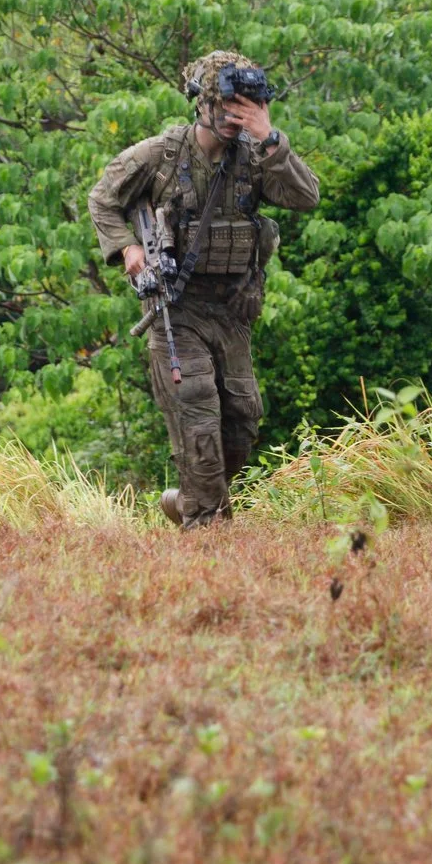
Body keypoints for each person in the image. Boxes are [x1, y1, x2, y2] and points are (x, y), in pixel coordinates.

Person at [89, 50, 320, 527]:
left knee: (241, 420)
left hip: (234, 311)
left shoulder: (257, 159)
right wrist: (128, 251)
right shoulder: (161, 156)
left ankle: (191, 499)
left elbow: (306, 197)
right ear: (202, 105)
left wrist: (270, 138)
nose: (237, 117)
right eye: (228, 106)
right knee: (197, 408)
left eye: (247, 107)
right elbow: (103, 200)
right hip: (178, 308)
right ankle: (207, 528)